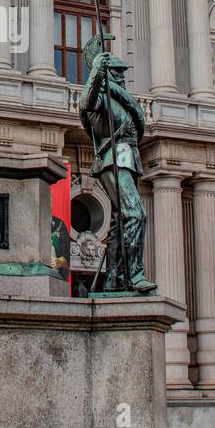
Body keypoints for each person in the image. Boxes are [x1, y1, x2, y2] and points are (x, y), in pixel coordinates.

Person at [79, 50, 155, 294]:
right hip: (114, 159)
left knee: (119, 222)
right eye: (118, 72)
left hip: (129, 159)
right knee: (135, 215)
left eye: (123, 72)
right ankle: (135, 276)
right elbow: (85, 104)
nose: (122, 77)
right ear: (107, 73)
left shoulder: (120, 99)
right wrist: (95, 72)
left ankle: (113, 280)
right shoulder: (101, 97)